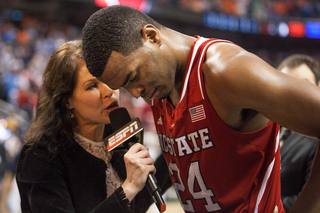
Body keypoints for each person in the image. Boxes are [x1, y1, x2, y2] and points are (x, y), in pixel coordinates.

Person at [81, 5, 320, 213]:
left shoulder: (227, 71)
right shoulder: (159, 85)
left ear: (151, 37)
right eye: (124, 87)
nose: (135, 93)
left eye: (133, 77)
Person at [15, 40, 171, 213]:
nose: (109, 91)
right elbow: (127, 195)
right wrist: (128, 188)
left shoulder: (119, 133)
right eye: (92, 86)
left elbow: (136, 206)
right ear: (67, 101)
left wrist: (177, 143)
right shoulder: (41, 155)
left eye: (108, 79)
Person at [277, 54, 320, 212]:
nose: (293, 93)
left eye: (303, 85)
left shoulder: (315, 138)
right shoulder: (259, 129)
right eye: (283, 83)